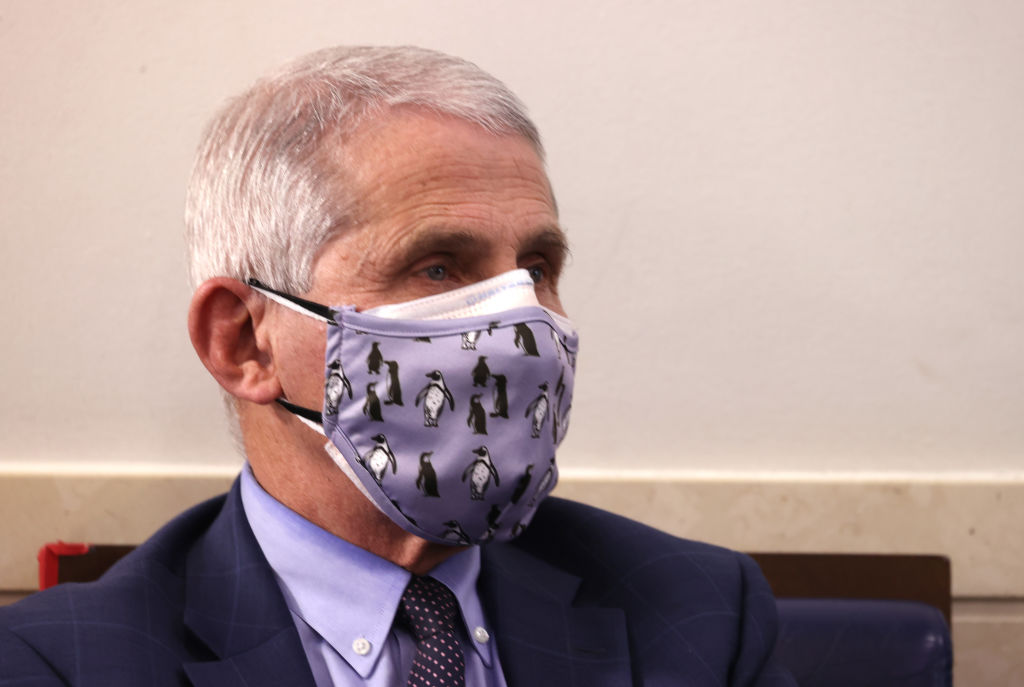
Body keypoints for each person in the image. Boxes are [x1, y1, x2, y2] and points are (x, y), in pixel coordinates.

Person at [0, 46, 795, 686]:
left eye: (537, 266)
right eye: (440, 267)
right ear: (244, 342)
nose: (520, 324)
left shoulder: (699, 615)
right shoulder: (64, 664)